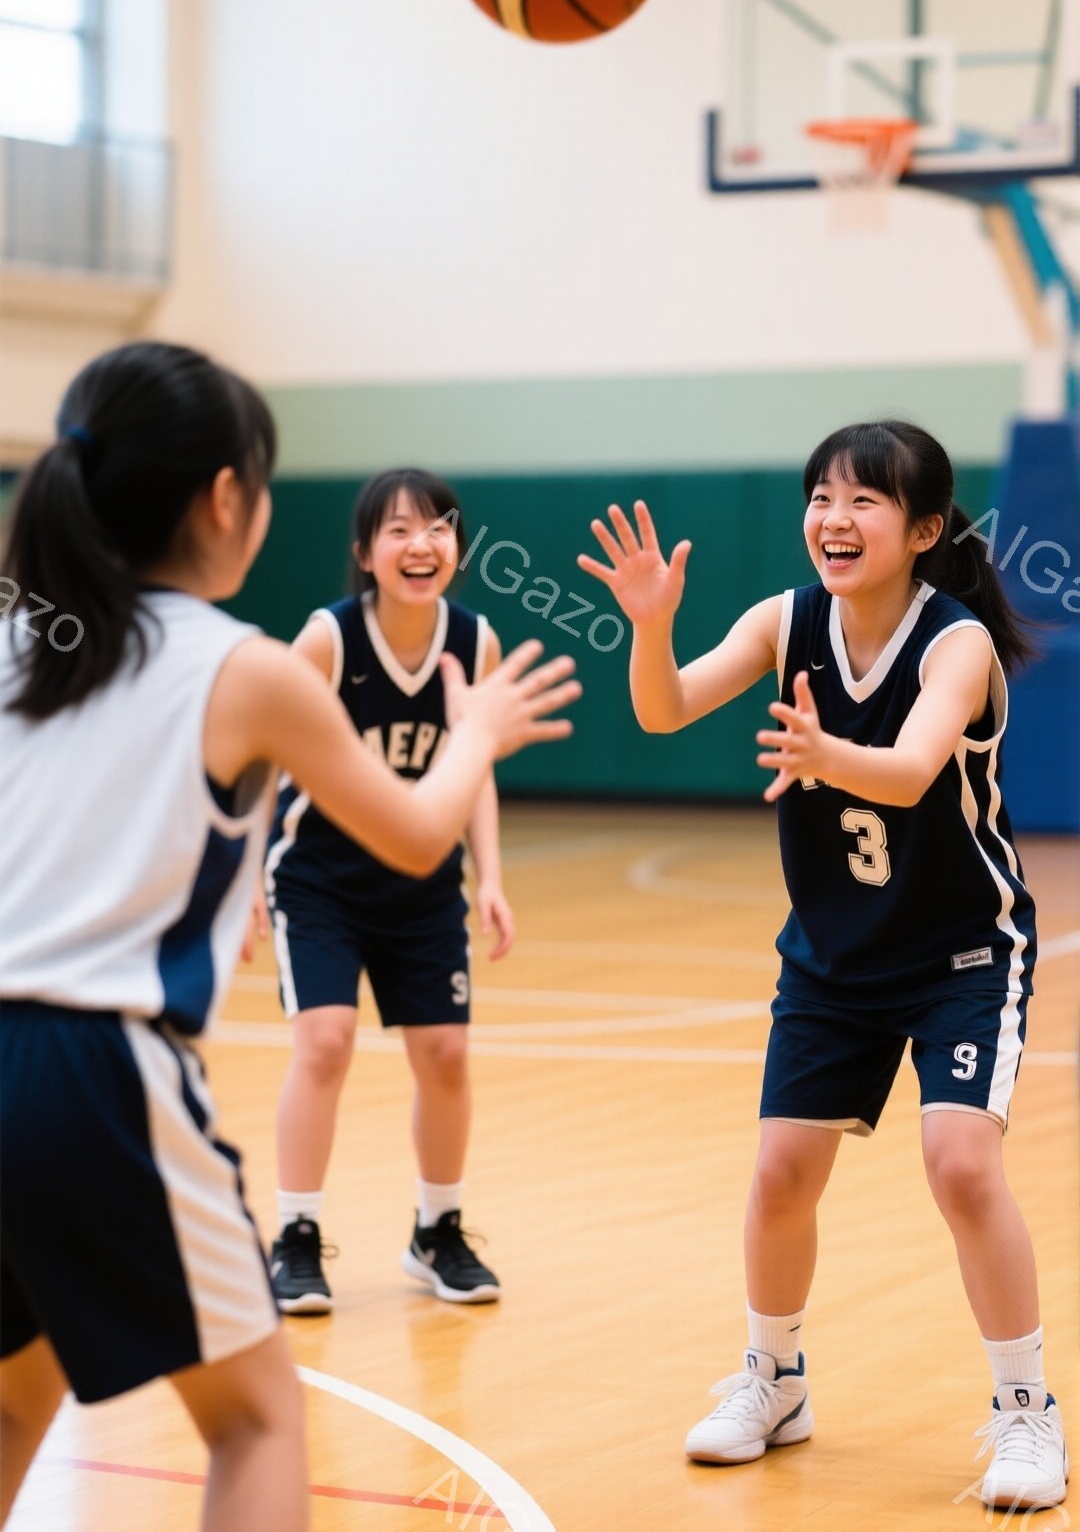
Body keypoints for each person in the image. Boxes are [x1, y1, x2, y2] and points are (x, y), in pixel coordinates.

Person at [0, 343, 580, 1532]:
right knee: (260, 1418)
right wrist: (481, 732)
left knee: (17, 1395)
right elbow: (417, 834)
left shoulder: (20, 639)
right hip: (89, 1070)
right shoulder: (248, 665)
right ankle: (313, 1231)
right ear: (227, 501)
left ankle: (431, 1224)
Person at [577, 418, 1067, 1513]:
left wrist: (820, 753)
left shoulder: (958, 645)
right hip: (835, 961)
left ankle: (1027, 1410)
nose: (833, 521)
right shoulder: (782, 619)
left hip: (963, 953)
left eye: (864, 501)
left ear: (925, 528)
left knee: (961, 1164)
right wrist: (650, 628)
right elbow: (660, 713)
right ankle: (775, 1378)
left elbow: (902, 771)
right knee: (779, 1176)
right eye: (819, 498)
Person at [265, 469, 512, 1314]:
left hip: (423, 885)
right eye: (400, 530)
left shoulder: (473, 641)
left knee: (444, 1055)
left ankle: (436, 1230)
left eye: (439, 527)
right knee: (325, 1040)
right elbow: (264, 753)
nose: (422, 544)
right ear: (366, 553)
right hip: (320, 880)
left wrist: (491, 877)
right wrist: (235, 881)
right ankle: (295, 1234)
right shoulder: (326, 640)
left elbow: (472, 769)